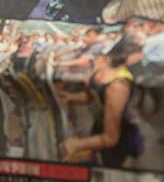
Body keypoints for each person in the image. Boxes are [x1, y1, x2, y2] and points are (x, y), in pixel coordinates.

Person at [59, 38, 143, 168]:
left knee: (108, 166)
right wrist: (71, 97)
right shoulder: (102, 63)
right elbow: (93, 96)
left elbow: (111, 138)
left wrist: (77, 144)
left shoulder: (118, 85)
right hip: (99, 127)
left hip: (117, 140)